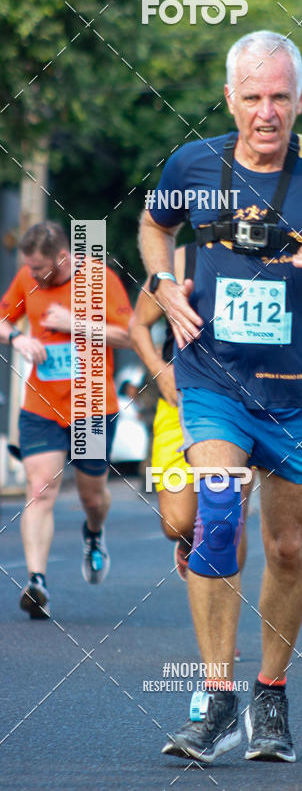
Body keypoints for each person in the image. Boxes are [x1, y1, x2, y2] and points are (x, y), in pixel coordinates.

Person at [138, 30, 302, 764]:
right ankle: (216, 698)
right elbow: (154, 227)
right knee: (216, 512)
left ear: (300, 97)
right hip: (214, 379)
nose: (267, 113)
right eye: (253, 97)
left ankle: (269, 694)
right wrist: (162, 285)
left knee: (286, 545)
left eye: (280, 96)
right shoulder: (191, 163)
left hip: (299, 392)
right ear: (230, 99)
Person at [0, 221, 131, 618]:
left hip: (91, 406)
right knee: (40, 490)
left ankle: (93, 533)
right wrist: (17, 338)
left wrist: (73, 324)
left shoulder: (100, 278)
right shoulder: (27, 277)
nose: (33, 276)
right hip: (41, 405)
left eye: (40, 269)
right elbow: (3, 318)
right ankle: (37, 581)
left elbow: (127, 336)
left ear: (63, 256)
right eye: (29, 269)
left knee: (92, 496)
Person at [129, 243, 252, 586]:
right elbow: (137, 326)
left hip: (242, 403)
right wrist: (159, 370)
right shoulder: (181, 259)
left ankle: (223, 635)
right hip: (180, 399)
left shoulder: (270, 258)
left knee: (227, 518)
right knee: (177, 523)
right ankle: (189, 537)